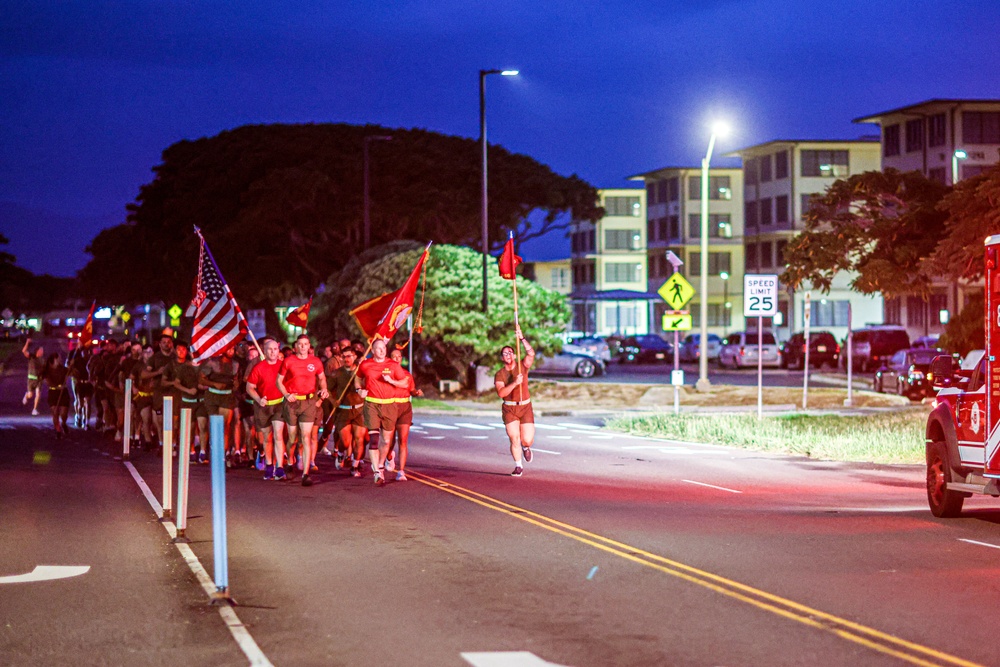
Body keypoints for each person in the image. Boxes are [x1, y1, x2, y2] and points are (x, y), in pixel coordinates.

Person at [276, 334, 329, 487]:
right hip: (292, 402)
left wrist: (324, 390)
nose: (303, 347)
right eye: (300, 344)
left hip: (309, 401)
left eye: (305, 344)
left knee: (306, 436)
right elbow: (279, 381)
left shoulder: (315, 361)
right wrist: (286, 394)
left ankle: (306, 474)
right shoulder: (289, 360)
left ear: (309, 346)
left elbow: (322, 378)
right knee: (293, 438)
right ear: (295, 346)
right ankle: (290, 461)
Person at [356, 338, 410, 485]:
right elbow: (357, 378)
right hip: (372, 404)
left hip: (389, 405)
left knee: (386, 441)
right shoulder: (366, 364)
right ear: (372, 351)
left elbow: (405, 382)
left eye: (383, 348)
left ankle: (380, 465)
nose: (382, 351)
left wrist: (391, 381)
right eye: (378, 349)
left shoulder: (392, 365)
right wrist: (359, 390)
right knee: (374, 439)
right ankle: (376, 472)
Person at [494, 327, 536, 477]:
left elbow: (531, 354)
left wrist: (522, 339)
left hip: (525, 406)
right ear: (502, 358)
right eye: (505, 353)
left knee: (527, 439)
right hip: (510, 409)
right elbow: (501, 393)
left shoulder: (522, 366)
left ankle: (526, 448)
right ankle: (518, 465)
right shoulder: (500, 374)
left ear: (514, 354)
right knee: (514, 438)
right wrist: (515, 383)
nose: (508, 355)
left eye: (510, 352)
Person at [246, 338, 288, 480]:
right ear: (264, 351)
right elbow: (249, 387)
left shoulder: (284, 366)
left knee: (278, 435)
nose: (273, 352)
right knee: (266, 438)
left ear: (278, 350)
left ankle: (280, 467)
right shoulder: (258, 367)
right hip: (263, 406)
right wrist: (258, 399)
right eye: (269, 349)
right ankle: (269, 465)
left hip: (279, 406)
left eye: (275, 349)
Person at [163, 340, 208, 463]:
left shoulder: (205, 366)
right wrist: (188, 390)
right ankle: (191, 451)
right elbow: (177, 383)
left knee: (202, 424)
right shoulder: (184, 367)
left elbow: (206, 382)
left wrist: (204, 386)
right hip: (187, 401)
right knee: (190, 428)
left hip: (201, 401)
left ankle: (203, 451)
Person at [328, 344, 367, 477]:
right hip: (343, 410)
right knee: (345, 442)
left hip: (359, 410)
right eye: (343, 356)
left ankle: (355, 466)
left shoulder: (361, 372)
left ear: (355, 357)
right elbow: (326, 389)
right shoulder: (337, 373)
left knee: (359, 439)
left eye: (349, 356)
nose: (346, 359)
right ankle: (340, 453)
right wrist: (333, 401)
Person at [385, 346, 422, 481]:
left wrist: (416, 393)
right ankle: (389, 456)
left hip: (405, 407)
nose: (397, 359)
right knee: (388, 441)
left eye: (399, 357)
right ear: (389, 358)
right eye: (394, 356)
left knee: (403, 440)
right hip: (390, 407)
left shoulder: (407, 374)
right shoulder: (386, 374)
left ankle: (401, 471)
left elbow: (411, 390)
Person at [200, 346, 241, 467]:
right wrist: (214, 384)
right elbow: (201, 379)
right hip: (213, 395)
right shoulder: (212, 362)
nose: (231, 351)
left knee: (225, 426)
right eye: (229, 348)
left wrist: (236, 384)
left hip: (227, 396)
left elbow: (236, 381)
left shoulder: (235, 364)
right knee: (214, 425)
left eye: (233, 349)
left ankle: (223, 454)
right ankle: (214, 450)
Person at [41, 352, 71, 438]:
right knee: (55, 412)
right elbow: (47, 381)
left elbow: (71, 372)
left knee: (63, 413)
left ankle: (64, 423)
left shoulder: (63, 369)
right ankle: (58, 431)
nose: (60, 360)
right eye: (59, 358)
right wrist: (57, 387)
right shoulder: (47, 370)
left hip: (63, 393)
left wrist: (71, 366)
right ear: (54, 359)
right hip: (53, 393)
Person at [22, 339, 44, 416]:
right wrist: (27, 342)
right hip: (31, 380)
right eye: (41, 350)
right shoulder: (31, 356)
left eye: (42, 350)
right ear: (37, 351)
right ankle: (26, 395)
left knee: (38, 394)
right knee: (30, 395)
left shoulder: (42, 360)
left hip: (39, 380)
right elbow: (24, 351)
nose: (42, 352)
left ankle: (34, 409)